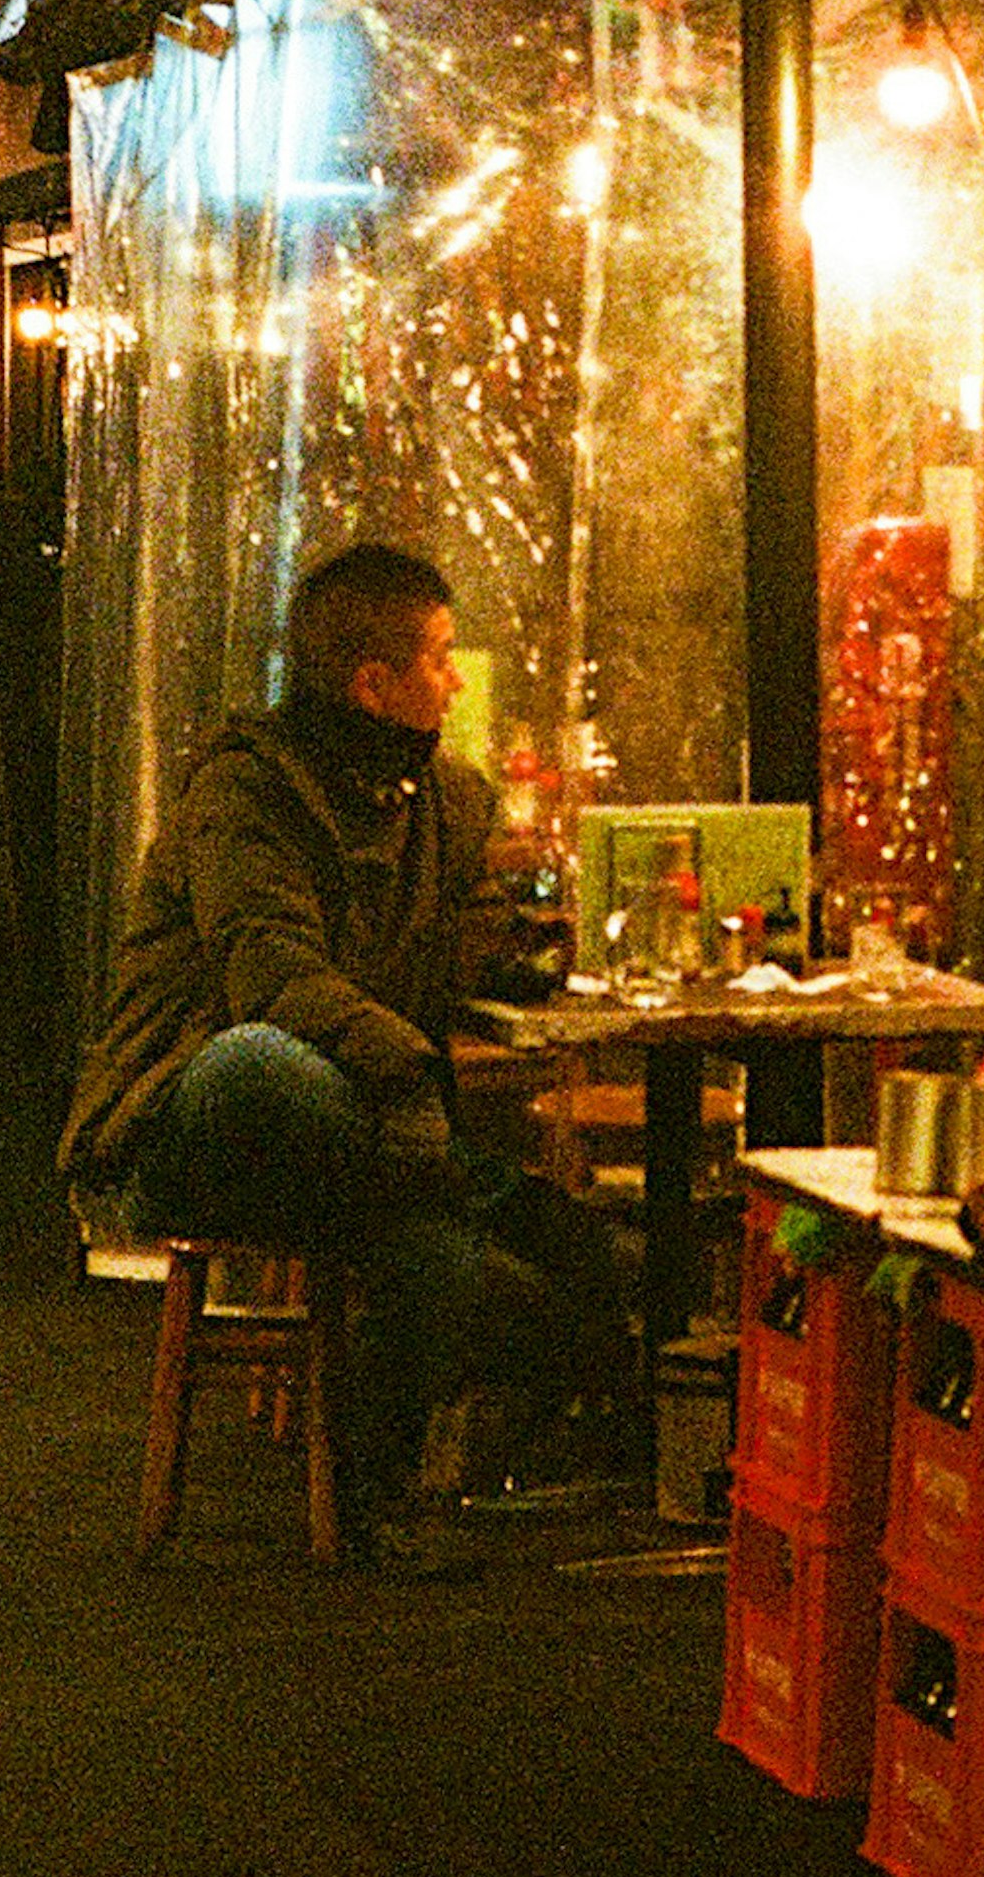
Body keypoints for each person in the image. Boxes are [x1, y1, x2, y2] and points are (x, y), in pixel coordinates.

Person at [60, 542, 626, 1565]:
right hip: (198, 1118)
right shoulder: (244, 792)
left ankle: (382, 1471)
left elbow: (465, 947)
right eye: (442, 659)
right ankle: (474, 1195)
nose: (458, 681)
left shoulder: (446, 801)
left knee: (454, 1242)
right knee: (269, 1067)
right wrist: (409, 1076)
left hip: (364, 1144)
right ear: (375, 686)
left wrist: (533, 934)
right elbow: (271, 975)